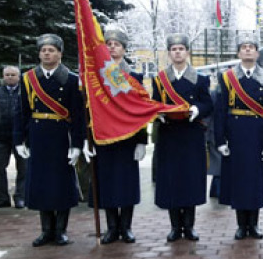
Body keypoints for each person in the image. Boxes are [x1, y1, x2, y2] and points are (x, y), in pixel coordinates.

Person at [14, 34, 84, 246]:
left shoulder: (71, 80)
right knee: (42, 184)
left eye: (51, 50)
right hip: (38, 136)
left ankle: (61, 230)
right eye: (43, 50)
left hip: (61, 136)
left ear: (60, 54)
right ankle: (46, 230)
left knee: (61, 184)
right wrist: (19, 140)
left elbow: (78, 115)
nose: (46, 53)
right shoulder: (28, 79)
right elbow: (21, 112)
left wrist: (77, 145)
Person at [82, 29, 147, 244]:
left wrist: (141, 141)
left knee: (126, 184)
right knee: (107, 184)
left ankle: (126, 227)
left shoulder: (134, 77)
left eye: (116, 44)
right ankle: (111, 227)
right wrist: (87, 138)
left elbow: (140, 110)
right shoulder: (95, 77)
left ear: (124, 49)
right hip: (103, 138)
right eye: (108, 43)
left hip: (127, 138)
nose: (111, 47)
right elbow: (88, 110)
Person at [151, 33, 213, 242]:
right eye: (173, 49)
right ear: (168, 53)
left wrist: (196, 109)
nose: (177, 52)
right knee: (171, 180)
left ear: (187, 52)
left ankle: (189, 226)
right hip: (169, 135)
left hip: (191, 134)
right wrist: (158, 113)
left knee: (190, 179)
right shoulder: (159, 80)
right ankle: (175, 226)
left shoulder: (201, 79)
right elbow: (154, 103)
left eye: (181, 49)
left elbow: (208, 104)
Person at [214, 36, 263, 240]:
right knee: (239, 180)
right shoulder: (227, 78)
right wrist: (220, 140)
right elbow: (221, 110)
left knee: (255, 180)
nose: (248, 50)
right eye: (244, 47)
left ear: (258, 53)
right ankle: (241, 225)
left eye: (252, 48)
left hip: (257, 135)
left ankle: (254, 224)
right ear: (238, 53)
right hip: (236, 134)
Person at [0, 66, 26, 209]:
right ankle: (3, 198)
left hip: (21, 137)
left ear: (19, 76)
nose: (10, 77)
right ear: (3, 76)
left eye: (13, 75)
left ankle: (20, 197)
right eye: (7, 75)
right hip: (1, 136)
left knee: (23, 168)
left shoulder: (25, 92)